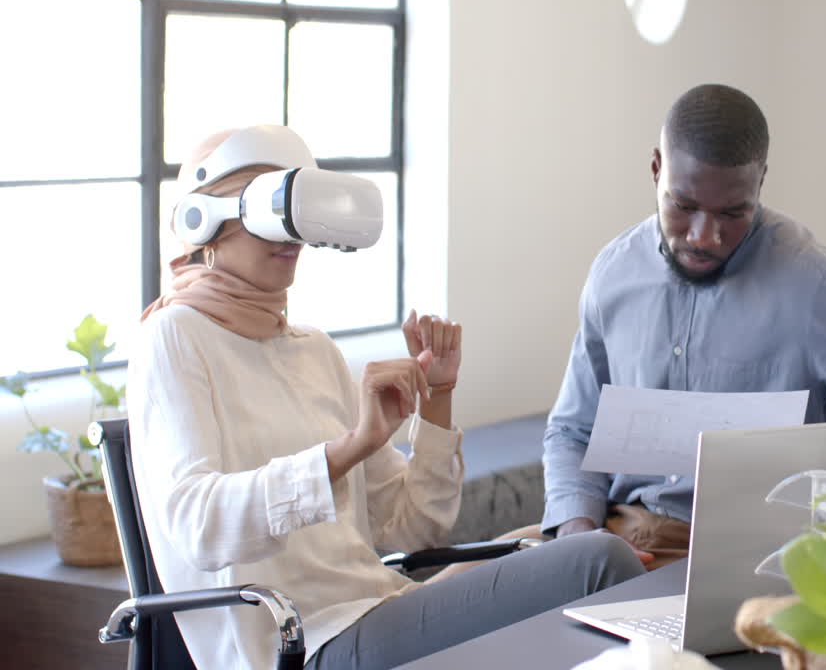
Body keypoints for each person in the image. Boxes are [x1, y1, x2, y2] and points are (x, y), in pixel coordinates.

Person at [128, 125, 644, 670]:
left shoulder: (313, 350)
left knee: (559, 541)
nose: (290, 235)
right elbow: (199, 527)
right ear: (202, 219)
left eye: (296, 211)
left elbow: (414, 529)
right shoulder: (173, 337)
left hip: (381, 609)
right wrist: (348, 448)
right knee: (596, 563)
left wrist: (437, 397)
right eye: (267, 208)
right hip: (304, 643)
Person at [538, 83, 826, 569]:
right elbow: (574, 430)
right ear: (657, 169)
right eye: (683, 206)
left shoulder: (817, 290)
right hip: (610, 535)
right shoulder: (613, 273)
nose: (704, 236)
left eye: (732, 213)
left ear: (760, 183)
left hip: (743, 554)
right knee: (450, 598)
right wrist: (577, 534)